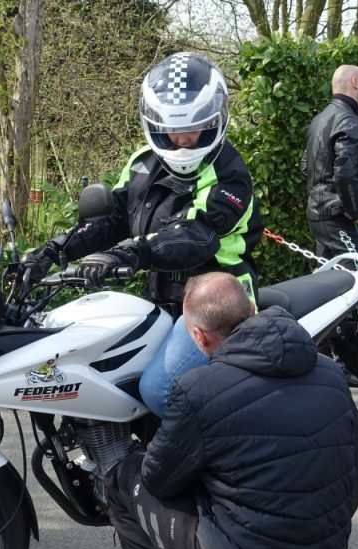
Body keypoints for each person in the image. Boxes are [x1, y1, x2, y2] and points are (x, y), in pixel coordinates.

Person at [105, 272, 358, 549]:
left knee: (124, 479)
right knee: (251, 548)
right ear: (251, 310)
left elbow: (159, 482)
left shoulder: (198, 388)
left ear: (198, 335)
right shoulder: (329, 373)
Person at [23, 52, 262, 417]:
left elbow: (195, 237)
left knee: (161, 390)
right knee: (106, 376)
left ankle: (201, 469)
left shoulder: (230, 174)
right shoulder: (142, 164)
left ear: (215, 120)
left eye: (194, 128)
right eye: (170, 130)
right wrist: (54, 251)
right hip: (162, 301)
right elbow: (112, 221)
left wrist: (130, 253)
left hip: (218, 304)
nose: (182, 139)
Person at [303, 64, 358, 384]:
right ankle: (351, 366)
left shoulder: (321, 117)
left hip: (320, 212)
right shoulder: (349, 120)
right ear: (354, 83)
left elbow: (306, 166)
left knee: (327, 289)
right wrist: (353, 210)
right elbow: (346, 173)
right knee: (356, 284)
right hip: (337, 216)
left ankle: (328, 361)